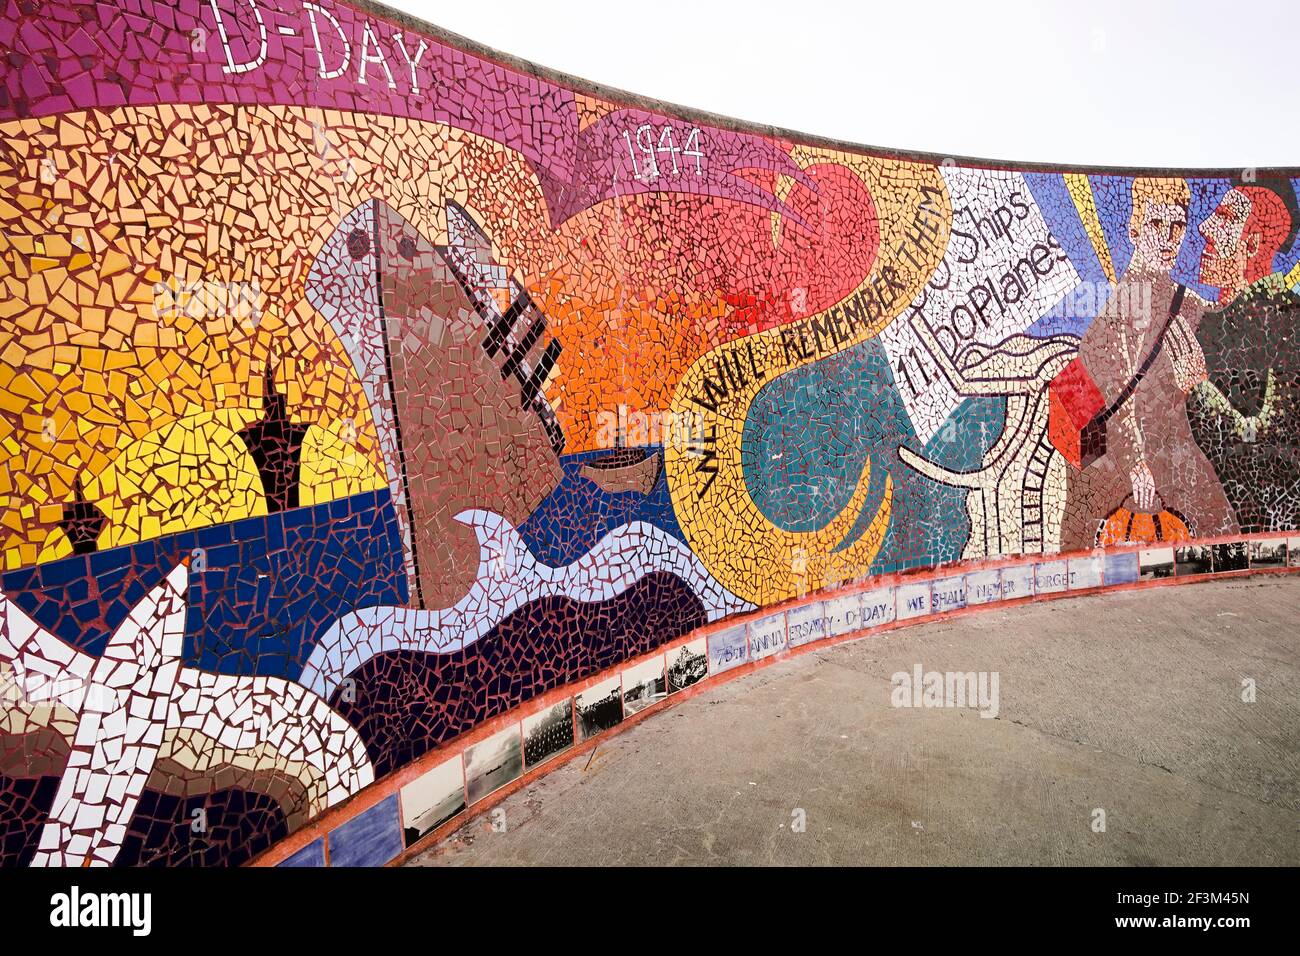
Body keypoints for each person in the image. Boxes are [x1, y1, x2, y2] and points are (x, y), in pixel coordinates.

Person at [1058, 177, 1237, 550]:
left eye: (1177, 226)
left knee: (1223, 534)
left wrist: (1197, 384)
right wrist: (1135, 463)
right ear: (1135, 228)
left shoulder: (1189, 306)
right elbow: (1100, 399)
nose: (1168, 238)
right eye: (1156, 224)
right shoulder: (1113, 313)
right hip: (1123, 473)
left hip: (1175, 462)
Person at [1188, 178, 1300, 532]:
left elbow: (1269, 446)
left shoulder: (1285, 320)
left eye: (1222, 217)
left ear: (1250, 244)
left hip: (1264, 526)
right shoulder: (1201, 322)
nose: (1205, 227)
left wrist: (1199, 392)